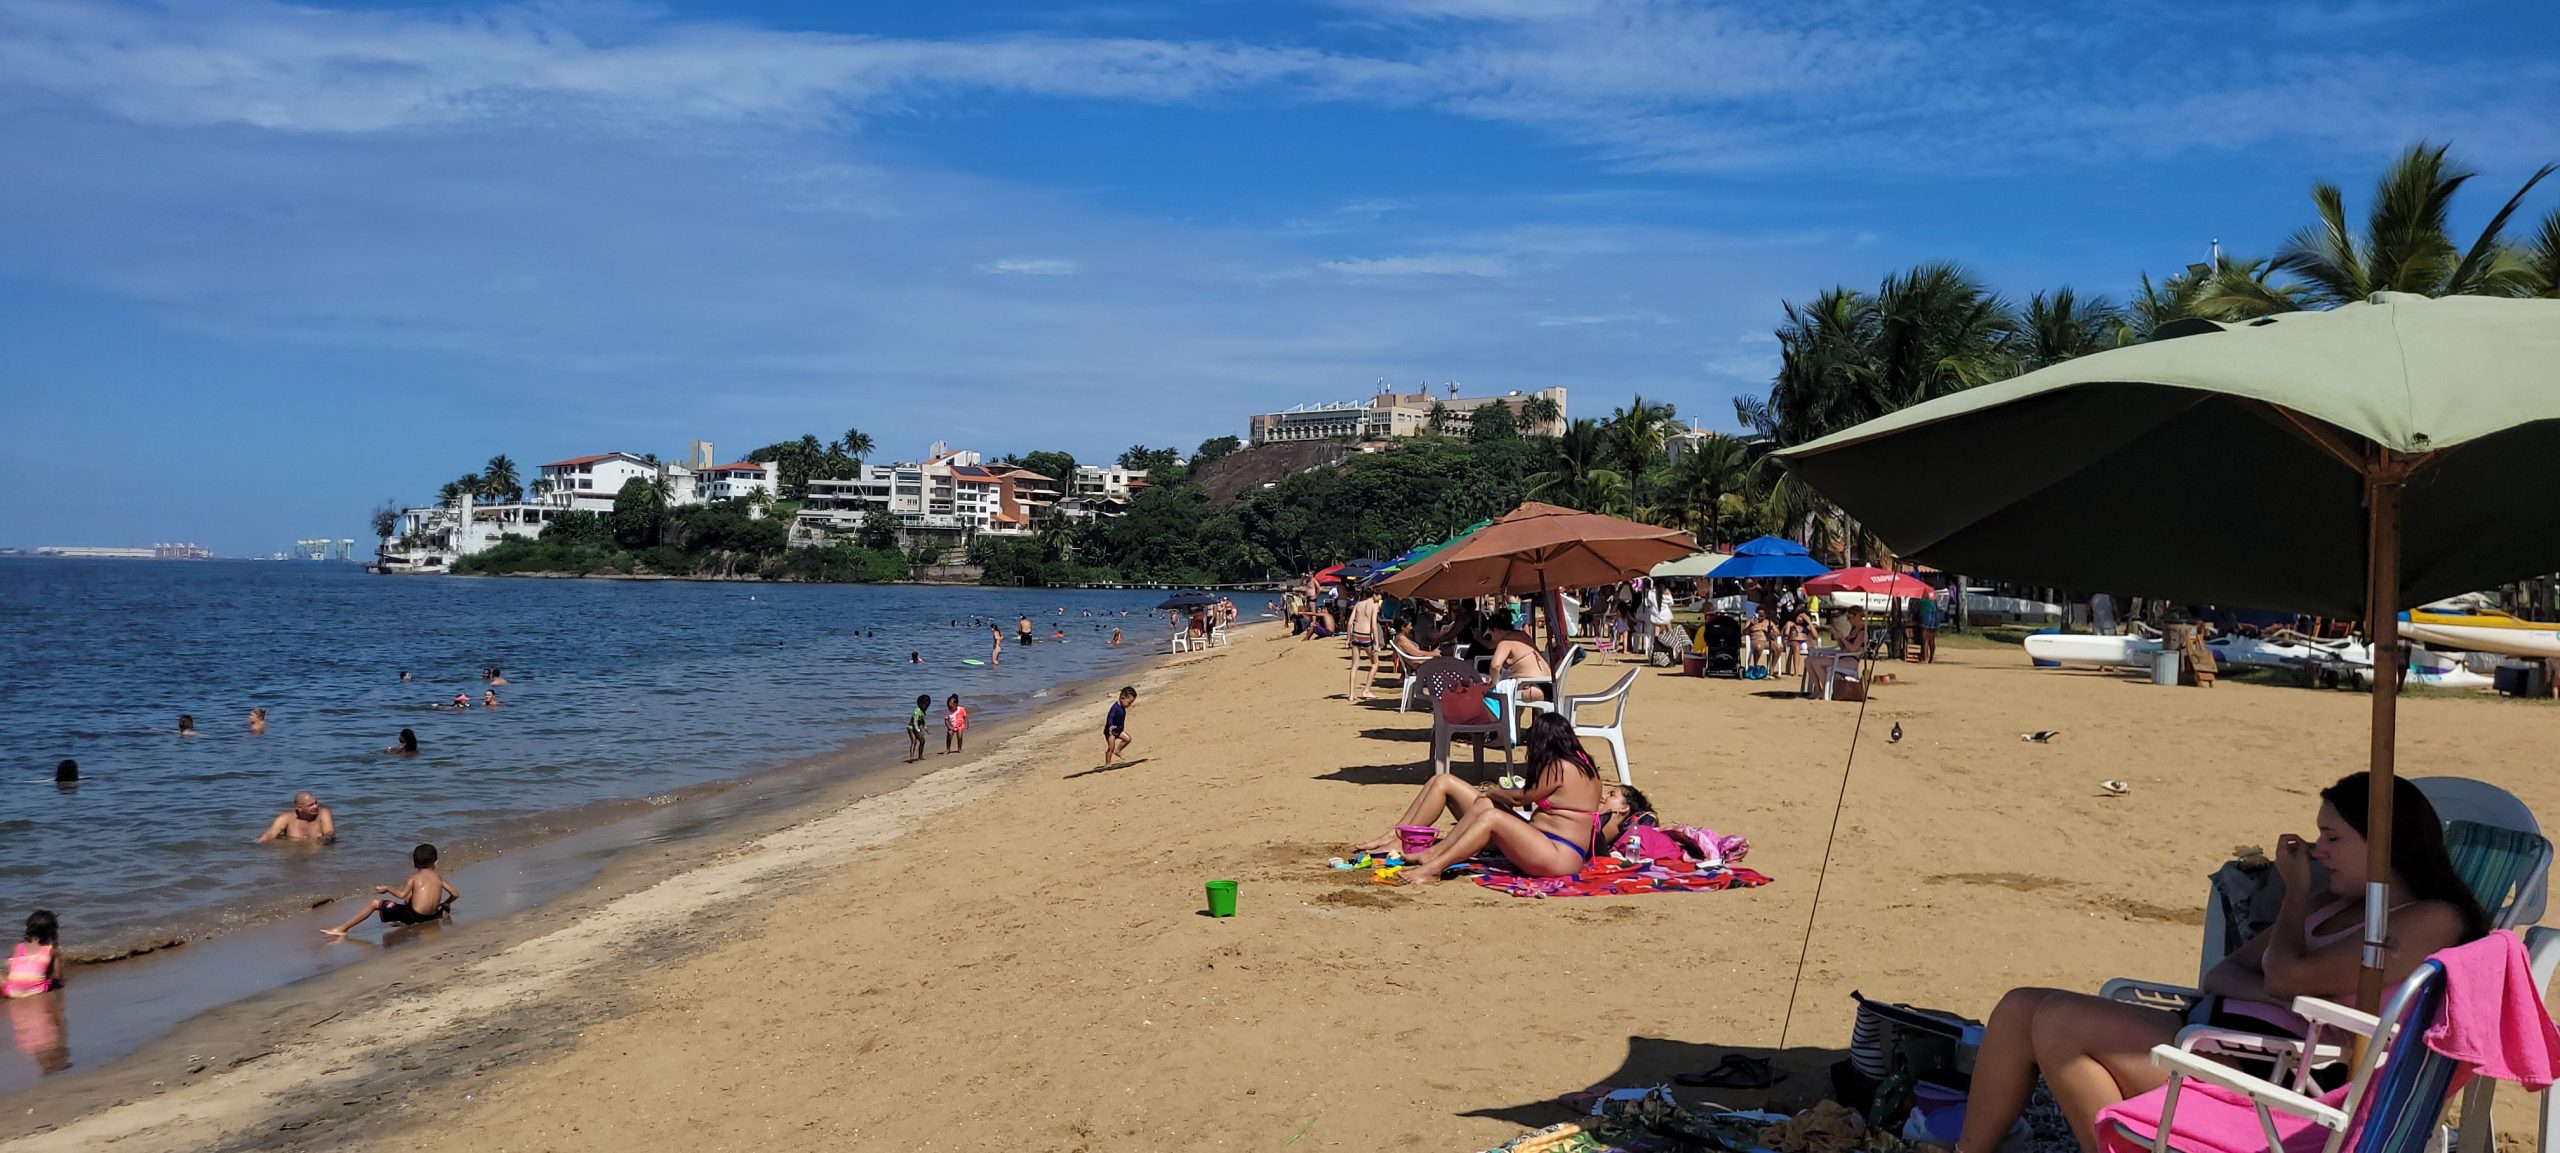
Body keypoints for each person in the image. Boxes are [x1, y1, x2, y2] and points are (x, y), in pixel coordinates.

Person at [1952, 772, 2486, 1153]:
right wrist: (2282, 988)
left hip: (2285, 1078)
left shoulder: (2433, 918)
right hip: (2222, 1037)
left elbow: (2284, 973)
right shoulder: (2339, 908)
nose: (2317, 849)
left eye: (2333, 837)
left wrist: (2296, 894)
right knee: (2021, 1005)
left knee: (2060, 1023)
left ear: (2383, 845)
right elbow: (2223, 975)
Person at [1389, 715, 1628, 885]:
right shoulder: (1584, 765)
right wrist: (1489, 796)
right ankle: (1436, 853)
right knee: (1484, 805)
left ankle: (1433, 869)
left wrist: (1493, 791)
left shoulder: (1558, 766)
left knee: (1492, 814)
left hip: (1558, 855)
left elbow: (1523, 798)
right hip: (1554, 847)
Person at [323, 844, 458, 938]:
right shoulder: (439, 878)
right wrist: (445, 903)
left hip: (414, 917)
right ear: (436, 862)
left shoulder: (414, 878)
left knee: (375, 903)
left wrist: (387, 888)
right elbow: (455, 894)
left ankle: (342, 929)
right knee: (409, 900)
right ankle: (402, 921)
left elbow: (401, 894)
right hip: (431, 916)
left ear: (414, 864)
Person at [1484, 626, 1552, 703]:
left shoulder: (1506, 641)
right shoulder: (1522, 635)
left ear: (1496, 630)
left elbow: (1495, 666)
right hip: (1549, 683)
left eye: (1492, 635)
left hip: (1532, 687)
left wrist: (1494, 684)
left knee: (1492, 697)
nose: (1492, 639)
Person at [5, 911, 62, 999]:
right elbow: (58, 976)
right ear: (52, 931)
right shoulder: (51, 950)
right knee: (47, 969)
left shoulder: (17, 947)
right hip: (38, 990)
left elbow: (11, 972)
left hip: (11, 992)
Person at [1346, 589, 1384, 703]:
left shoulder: (1358, 604)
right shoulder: (1374, 605)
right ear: (1374, 595)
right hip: (1366, 636)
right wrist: (1376, 643)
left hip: (1356, 635)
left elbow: (1349, 622)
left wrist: (1348, 639)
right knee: (1375, 663)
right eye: (1380, 595)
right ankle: (1366, 690)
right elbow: (1373, 625)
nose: (1381, 598)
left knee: (1354, 665)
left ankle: (1351, 694)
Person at [257, 791, 336, 844]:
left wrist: (325, 840)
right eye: (310, 805)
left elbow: (329, 832)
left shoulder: (323, 813)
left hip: (318, 856)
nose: (316, 806)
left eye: (316, 802)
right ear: (299, 808)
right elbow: (269, 835)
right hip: (294, 852)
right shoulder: (286, 818)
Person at [1102, 686, 1136, 767]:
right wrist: (1110, 726)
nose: (1129, 705)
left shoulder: (1122, 707)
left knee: (1127, 739)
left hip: (1119, 731)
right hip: (1111, 732)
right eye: (1129, 703)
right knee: (1111, 747)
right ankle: (1108, 763)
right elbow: (1110, 717)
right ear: (1122, 698)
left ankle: (1118, 751)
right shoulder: (1115, 708)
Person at [1912, 588, 1941, 664]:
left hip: (1925, 615)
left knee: (1925, 639)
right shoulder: (1932, 595)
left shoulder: (1919, 596)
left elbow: (1915, 610)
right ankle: (1931, 658)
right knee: (1932, 639)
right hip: (1935, 615)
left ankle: (1925, 658)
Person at [907, 694, 930, 763]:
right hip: (911, 727)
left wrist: (926, 729)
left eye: (927, 705)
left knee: (922, 741)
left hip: (917, 727)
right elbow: (915, 721)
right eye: (924, 704)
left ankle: (920, 755)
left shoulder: (923, 712)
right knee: (914, 741)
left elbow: (923, 722)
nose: (925, 706)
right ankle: (911, 757)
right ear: (919, 703)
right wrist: (917, 730)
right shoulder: (916, 710)